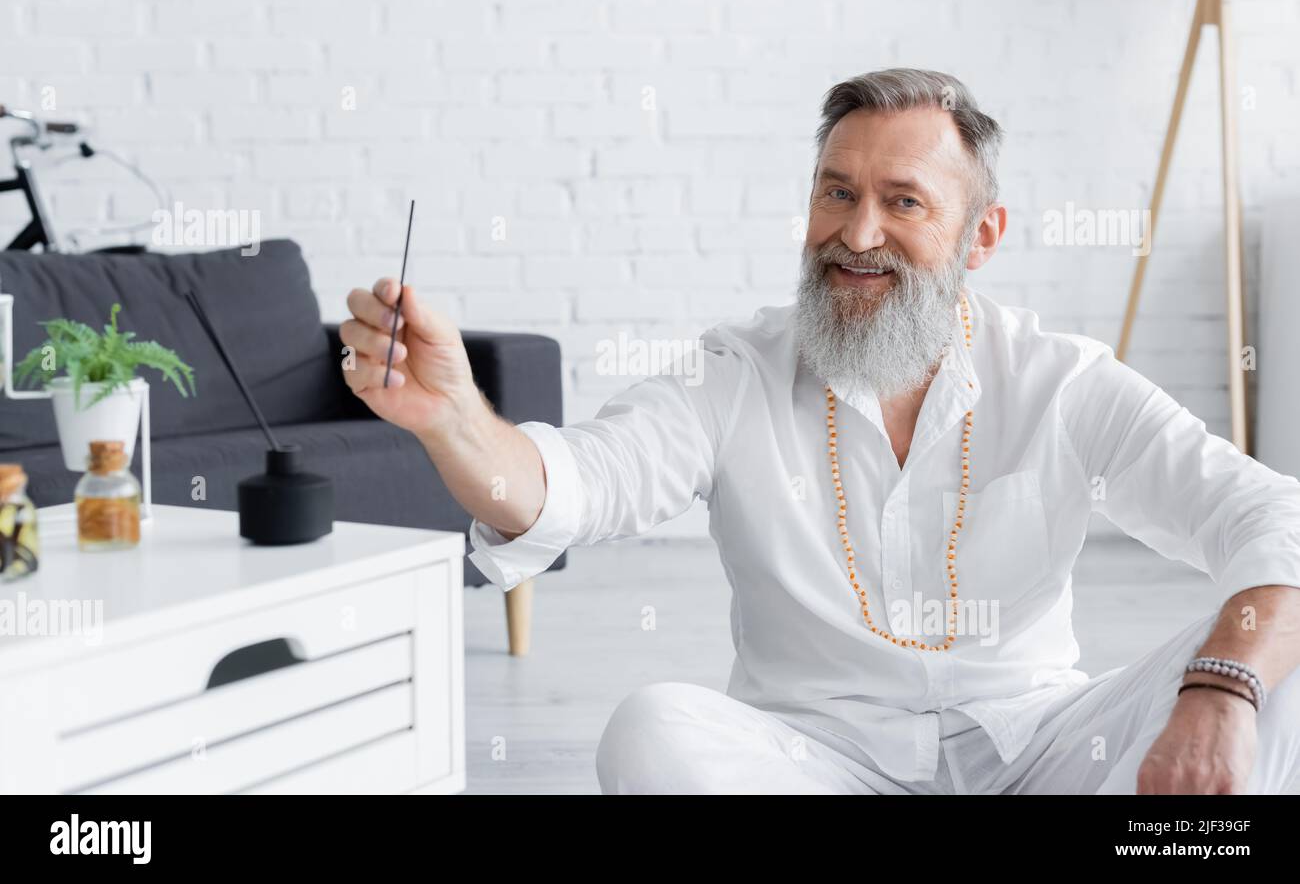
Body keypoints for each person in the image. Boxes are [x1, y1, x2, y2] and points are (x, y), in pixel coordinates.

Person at [340, 68, 1300, 794]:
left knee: (1275, 669)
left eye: (904, 201)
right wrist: (454, 415)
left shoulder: (1063, 379)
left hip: (1039, 751)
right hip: (815, 762)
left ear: (983, 237)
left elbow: (1272, 519)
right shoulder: (733, 372)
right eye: (837, 191)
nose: (859, 232)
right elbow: (575, 483)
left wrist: (1219, 688)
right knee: (652, 729)